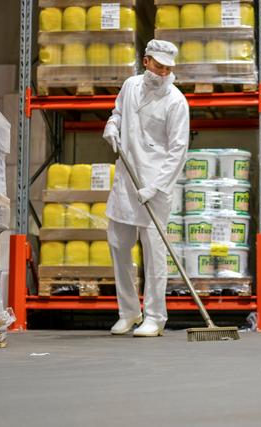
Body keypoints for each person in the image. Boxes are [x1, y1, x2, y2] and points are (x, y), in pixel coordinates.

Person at [103, 40, 189, 337]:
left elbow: (178, 150)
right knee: (118, 246)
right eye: (159, 66)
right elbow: (118, 112)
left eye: (168, 68)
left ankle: (155, 316)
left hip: (155, 186)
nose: (163, 73)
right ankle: (128, 312)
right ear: (146, 61)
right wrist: (112, 125)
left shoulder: (176, 101)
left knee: (154, 254)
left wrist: (156, 187)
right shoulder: (130, 86)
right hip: (126, 182)